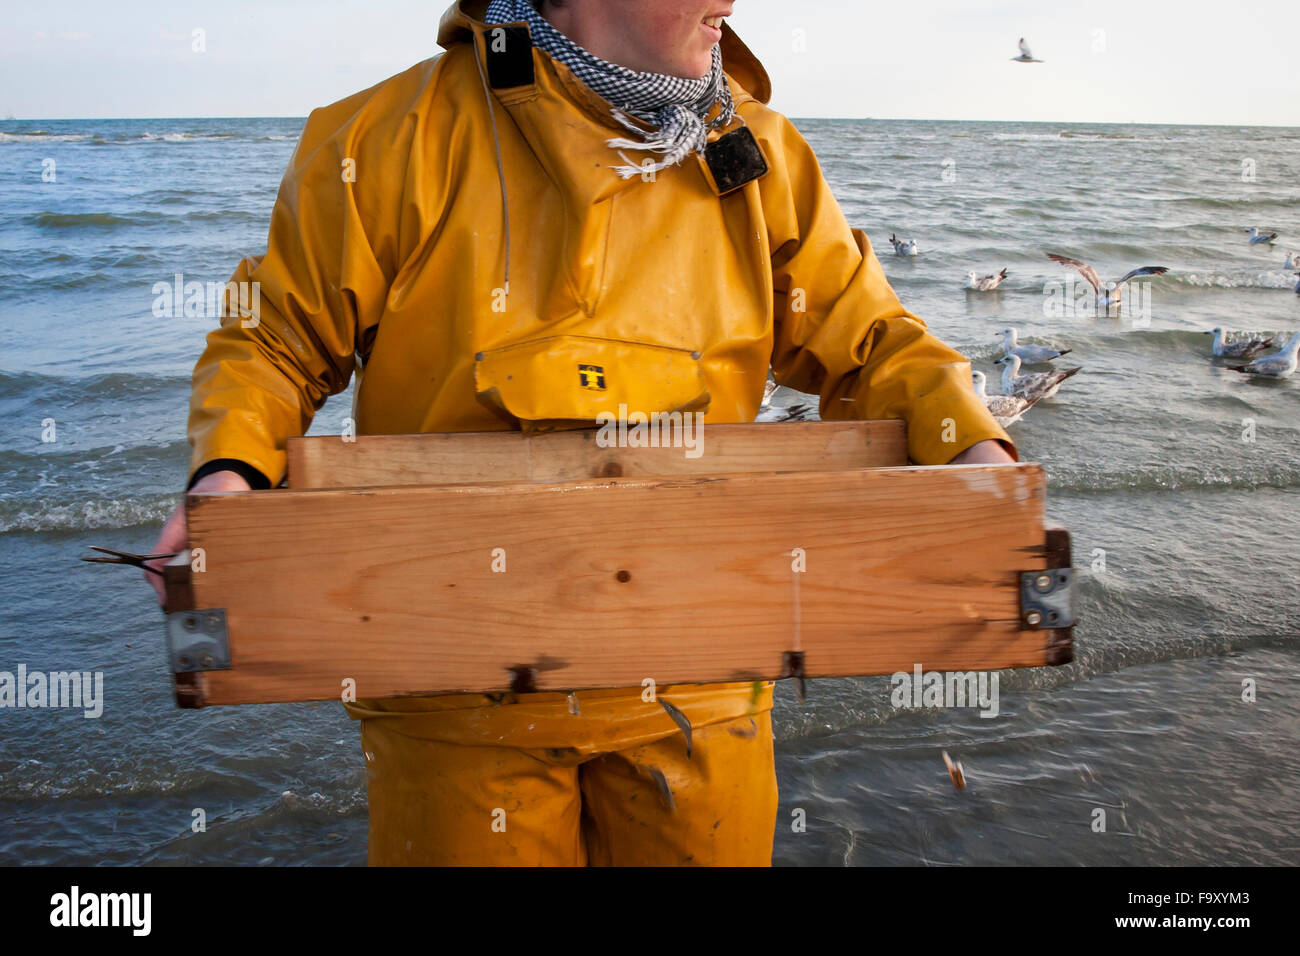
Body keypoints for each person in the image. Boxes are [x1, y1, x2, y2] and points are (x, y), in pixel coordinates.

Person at [147, 0, 1017, 866]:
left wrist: (976, 449)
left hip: (703, 680)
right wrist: (229, 473)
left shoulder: (754, 155)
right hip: (453, 687)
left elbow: (869, 343)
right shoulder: (384, 136)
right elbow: (277, 339)